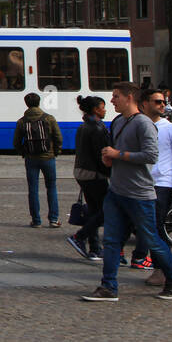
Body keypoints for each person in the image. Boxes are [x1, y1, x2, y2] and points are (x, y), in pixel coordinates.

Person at [82, 82, 172, 301]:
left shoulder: (144, 124)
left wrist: (118, 155)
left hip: (139, 193)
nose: (111, 100)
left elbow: (150, 156)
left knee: (151, 238)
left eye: (115, 96)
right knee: (111, 240)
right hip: (117, 191)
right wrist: (109, 159)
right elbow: (118, 151)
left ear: (129, 98)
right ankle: (108, 286)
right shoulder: (118, 122)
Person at [138, 87, 172, 287]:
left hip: (163, 183)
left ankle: (164, 271)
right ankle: (159, 267)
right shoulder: (139, 125)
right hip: (141, 183)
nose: (162, 105)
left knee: (156, 227)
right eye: (157, 101)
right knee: (146, 227)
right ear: (145, 104)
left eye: (163, 102)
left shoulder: (171, 129)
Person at [67, 96, 112, 261]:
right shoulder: (98, 128)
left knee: (94, 210)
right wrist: (110, 173)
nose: (105, 110)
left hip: (81, 172)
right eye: (103, 107)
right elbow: (101, 154)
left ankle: (94, 248)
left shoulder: (83, 126)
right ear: (95, 110)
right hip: (94, 173)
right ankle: (83, 237)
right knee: (108, 208)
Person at [15, 91, 62, 227]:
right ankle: (53, 219)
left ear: (26, 104)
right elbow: (58, 137)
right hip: (48, 157)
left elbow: (16, 142)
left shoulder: (22, 121)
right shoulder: (49, 118)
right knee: (51, 187)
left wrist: (23, 153)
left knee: (33, 189)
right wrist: (56, 151)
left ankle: (36, 220)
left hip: (31, 159)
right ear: (39, 102)